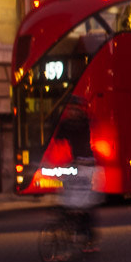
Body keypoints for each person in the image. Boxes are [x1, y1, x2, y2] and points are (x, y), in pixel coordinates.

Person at [54, 97, 100, 252]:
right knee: (67, 197)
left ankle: (89, 236)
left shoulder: (82, 123)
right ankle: (72, 228)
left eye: (75, 109)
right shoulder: (67, 124)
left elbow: (76, 132)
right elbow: (58, 138)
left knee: (83, 203)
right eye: (70, 109)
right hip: (75, 163)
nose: (72, 112)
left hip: (86, 162)